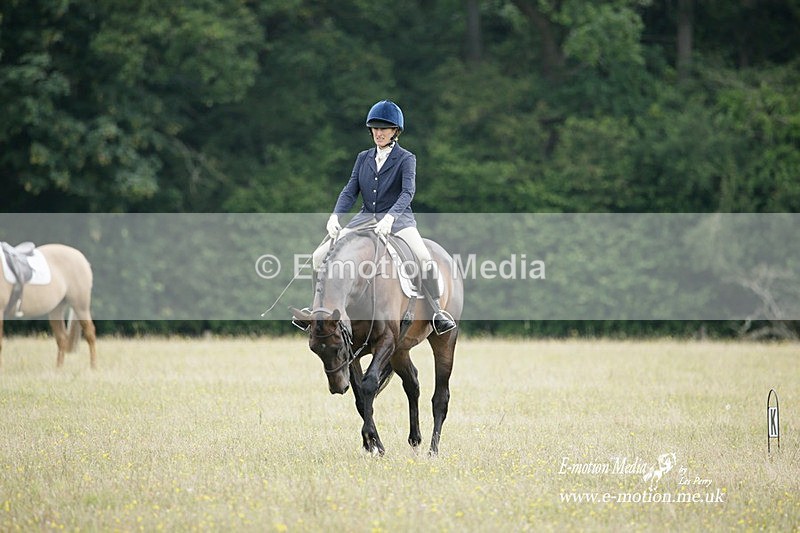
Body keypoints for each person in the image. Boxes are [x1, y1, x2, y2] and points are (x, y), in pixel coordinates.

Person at [310, 99, 456, 334]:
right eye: (375, 128)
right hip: (364, 219)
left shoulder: (406, 158)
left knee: (423, 257)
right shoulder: (363, 157)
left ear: (395, 131)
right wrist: (335, 217)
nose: (378, 133)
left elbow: (408, 192)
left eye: (384, 129)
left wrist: (390, 218)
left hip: (399, 221)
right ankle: (318, 309)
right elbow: (350, 190)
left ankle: (437, 312)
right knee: (318, 256)